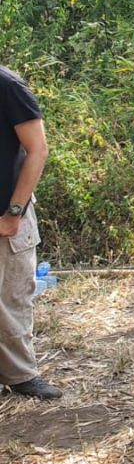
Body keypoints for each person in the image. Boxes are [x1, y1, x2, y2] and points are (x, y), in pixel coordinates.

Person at [0, 66, 58, 399]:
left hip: (9, 212)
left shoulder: (8, 86)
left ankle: (21, 375)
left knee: (10, 298)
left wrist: (14, 213)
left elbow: (38, 149)